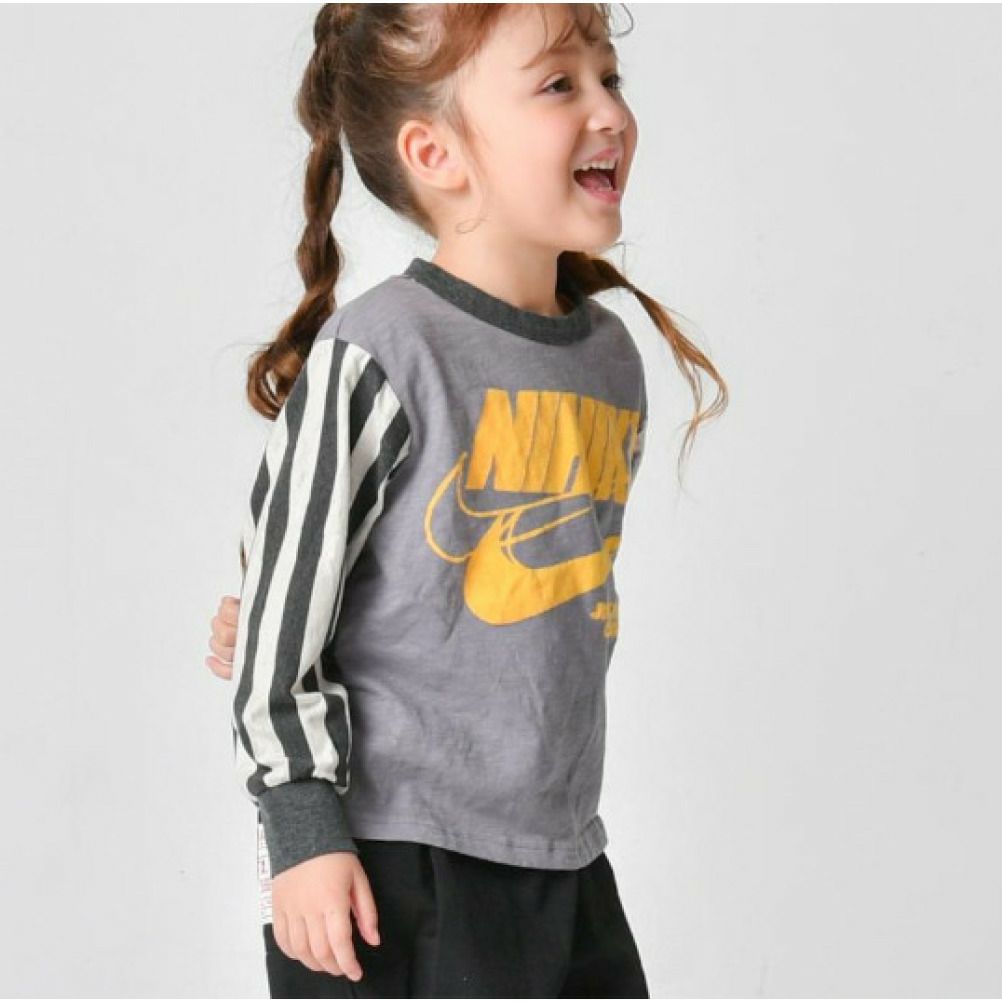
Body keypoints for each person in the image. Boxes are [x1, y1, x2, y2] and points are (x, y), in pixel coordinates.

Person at [209, 3, 728, 997]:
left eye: (609, 77)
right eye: (559, 84)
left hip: (560, 851)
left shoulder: (608, 359)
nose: (609, 111)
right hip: (397, 867)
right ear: (436, 154)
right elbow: (282, 602)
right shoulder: (384, 348)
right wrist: (303, 831)